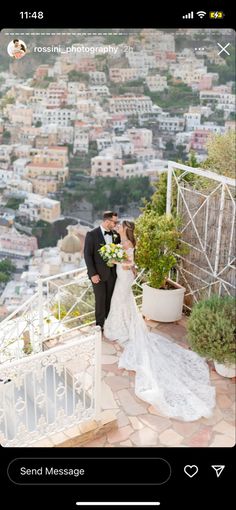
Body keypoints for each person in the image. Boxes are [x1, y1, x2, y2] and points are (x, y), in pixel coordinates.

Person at [104, 220, 216, 422]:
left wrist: (117, 261)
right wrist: (114, 258)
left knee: (120, 301)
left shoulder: (128, 245)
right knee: (121, 302)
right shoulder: (120, 241)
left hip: (124, 277)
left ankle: (121, 327)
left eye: (120, 227)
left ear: (126, 231)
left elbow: (131, 265)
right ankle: (122, 325)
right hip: (122, 277)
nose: (118, 227)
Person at [84, 211, 121, 333]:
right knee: (100, 299)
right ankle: (99, 325)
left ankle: (109, 323)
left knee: (110, 299)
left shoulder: (116, 235)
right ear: (106, 221)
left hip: (112, 274)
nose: (116, 224)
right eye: (114, 222)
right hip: (97, 275)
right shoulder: (91, 234)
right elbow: (87, 256)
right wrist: (93, 274)